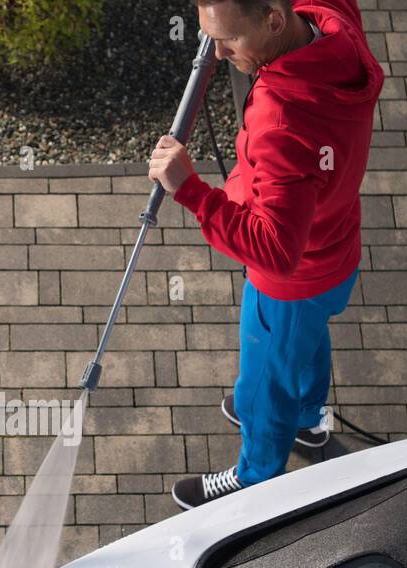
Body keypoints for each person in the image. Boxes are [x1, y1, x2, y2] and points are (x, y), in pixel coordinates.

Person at [147, 0, 384, 509]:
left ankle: (255, 477)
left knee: (260, 385)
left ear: (275, 19)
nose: (217, 51)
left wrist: (190, 190)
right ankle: (308, 419)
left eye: (229, 40)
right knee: (307, 339)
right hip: (337, 249)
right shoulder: (330, 19)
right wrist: (232, 34)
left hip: (289, 283)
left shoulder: (282, 120)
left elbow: (276, 251)